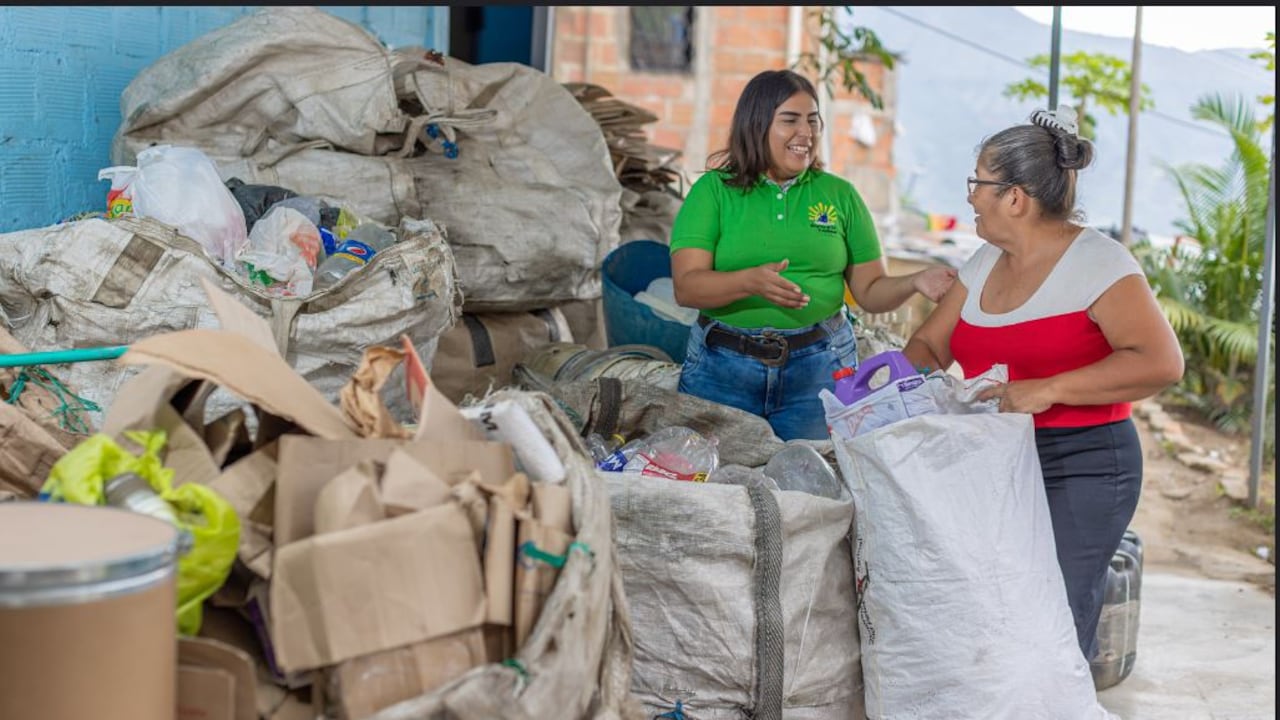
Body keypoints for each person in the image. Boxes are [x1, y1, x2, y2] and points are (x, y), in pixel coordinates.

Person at [902, 105, 1185, 662]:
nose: (970, 197)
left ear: (1015, 198)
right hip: (996, 458)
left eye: (977, 183)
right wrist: (893, 391)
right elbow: (931, 346)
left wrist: (1048, 388)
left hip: (1084, 464)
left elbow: (1161, 362)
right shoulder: (985, 260)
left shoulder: (1101, 263)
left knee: (1051, 624)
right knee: (992, 614)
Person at [669, 69, 956, 441]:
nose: (806, 132)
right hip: (722, 368)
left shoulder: (840, 195)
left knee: (816, 473)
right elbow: (687, 288)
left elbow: (871, 291)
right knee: (707, 469)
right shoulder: (713, 191)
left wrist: (915, 280)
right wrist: (749, 282)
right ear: (756, 125)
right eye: (790, 120)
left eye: (813, 121)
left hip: (821, 367)